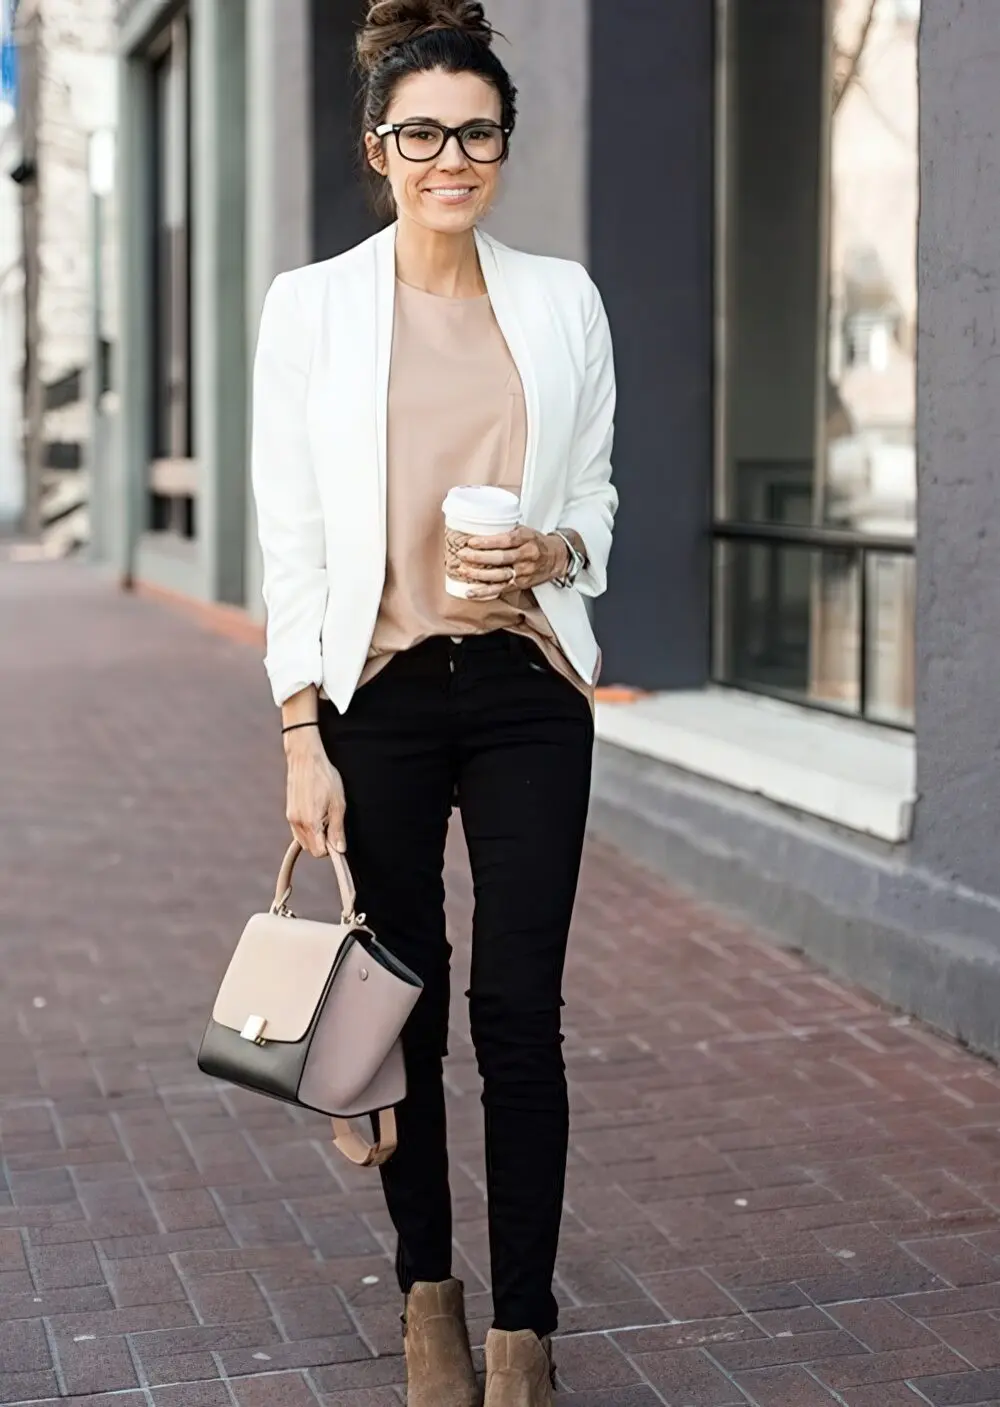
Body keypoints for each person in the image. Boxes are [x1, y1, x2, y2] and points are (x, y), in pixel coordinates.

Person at [250, 2, 617, 1403]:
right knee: (403, 1008)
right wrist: (299, 731)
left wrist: (551, 549)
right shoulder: (313, 309)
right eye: (424, 133)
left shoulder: (562, 300)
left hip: (526, 685)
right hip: (380, 697)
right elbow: (290, 537)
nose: (450, 155)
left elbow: (595, 498)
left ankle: (523, 1327)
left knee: (522, 1007)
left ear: (504, 147)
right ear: (379, 148)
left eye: (476, 131)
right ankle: (429, 1300)